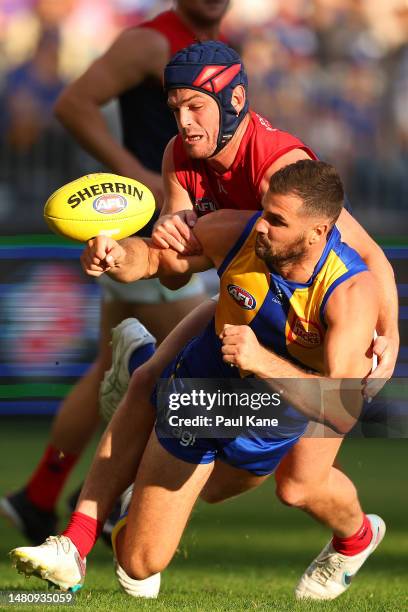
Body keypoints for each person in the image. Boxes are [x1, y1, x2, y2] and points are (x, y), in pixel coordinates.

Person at [11, 160, 386, 601]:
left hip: (273, 413)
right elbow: (154, 258)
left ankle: (141, 369)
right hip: (203, 387)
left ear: (318, 232)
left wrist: (261, 361)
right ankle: (146, 375)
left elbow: (340, 410)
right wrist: (116, 255)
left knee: (235, 490)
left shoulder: (351, 293)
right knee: (137, 566)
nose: (262, 225)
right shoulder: (240, 232)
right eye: (264, 211)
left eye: (277, 220)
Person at [0, 1, 230, 544]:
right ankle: (113, 503)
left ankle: (38, 496)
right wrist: (137, 176)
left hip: (164, 227)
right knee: (196, 365)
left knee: (110, 369)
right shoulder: (150, 42)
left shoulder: (214, 45)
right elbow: (74, 104)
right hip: (148, 233)